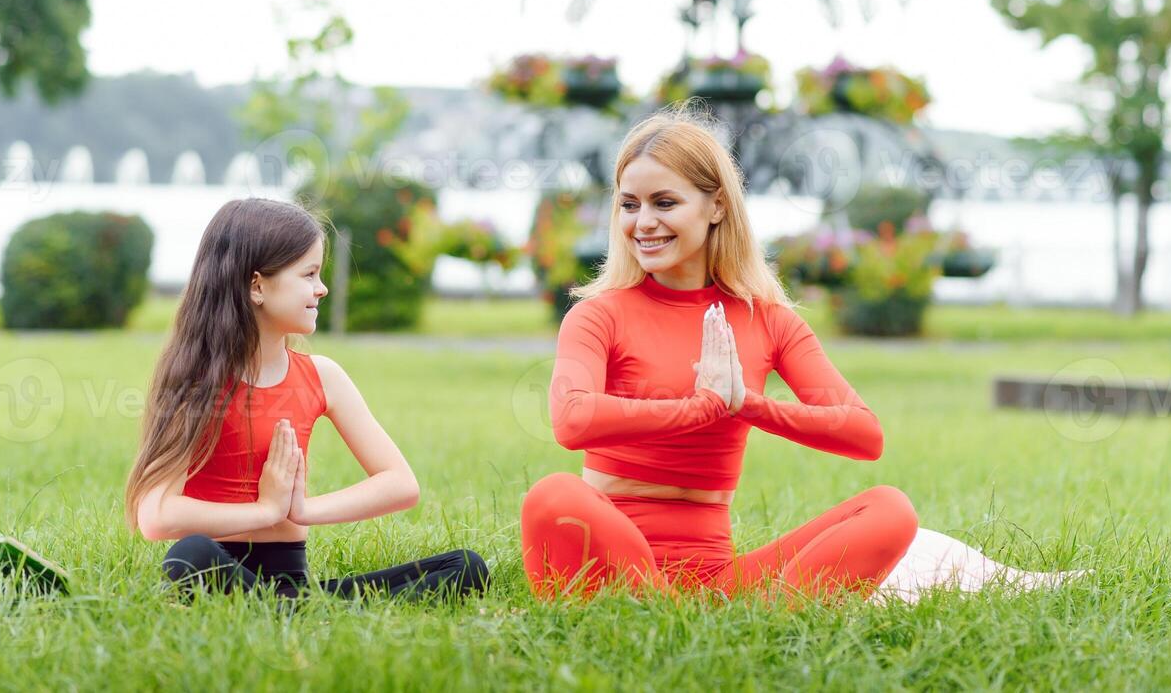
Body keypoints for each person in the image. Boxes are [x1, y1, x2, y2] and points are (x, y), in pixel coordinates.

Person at [520, 104, 1087, 603]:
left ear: (716, 207)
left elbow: (864, 435)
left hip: (719, 580)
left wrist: (747, 405)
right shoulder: (598, 314)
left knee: (890, 510)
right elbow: (571, 420)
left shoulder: (768, 319)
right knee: (553, 497)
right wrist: (699, 407)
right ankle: (670, 612)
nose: (643, 223)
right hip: (613, 566)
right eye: (629, 204)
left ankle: (741, 616)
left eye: (664, 202)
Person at [124, 197, 489, 603]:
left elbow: (401, 485)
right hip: (220, 570)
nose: (322, 288)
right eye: (309, 274)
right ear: (257, 285)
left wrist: (301, 510)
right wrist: (264, 512)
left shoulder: (322, 376)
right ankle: (303, 611)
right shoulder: (194, 382)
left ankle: (293, 609)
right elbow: (155, 516)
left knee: (466, 566)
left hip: (292, 582)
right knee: (189, 555)